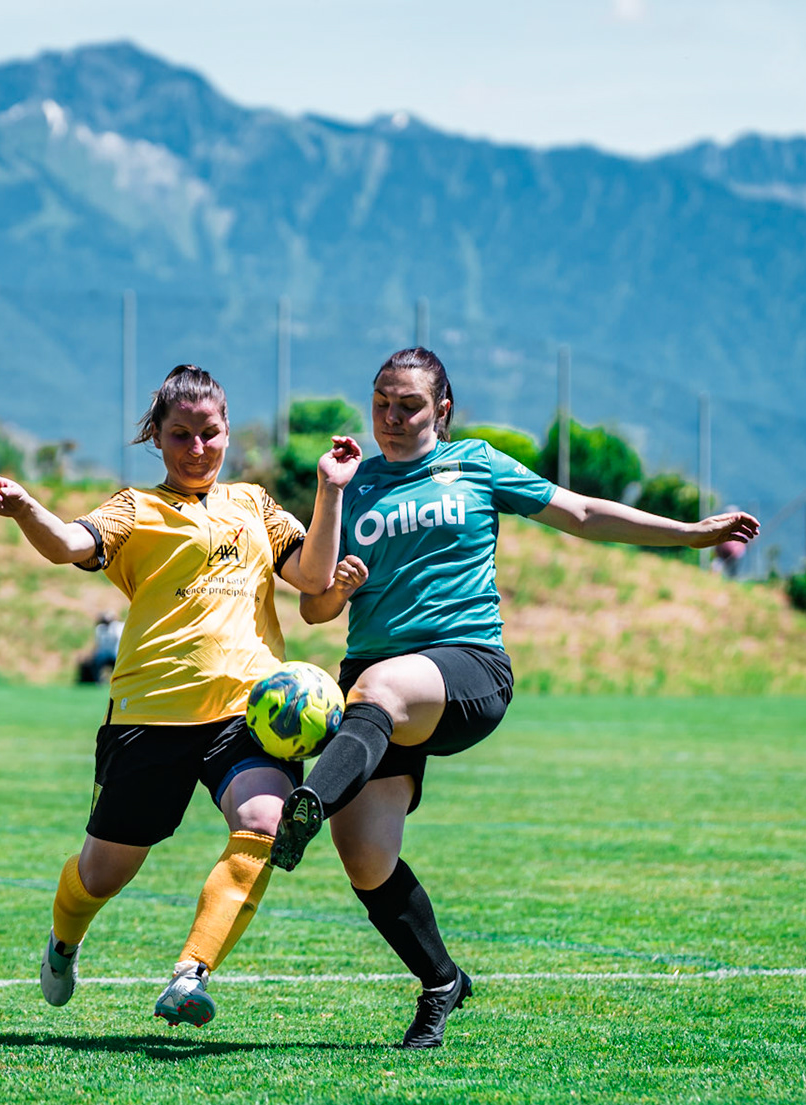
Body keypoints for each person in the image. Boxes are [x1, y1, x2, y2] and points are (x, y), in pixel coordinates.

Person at [270, 348, 759, 1048]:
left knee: (377, 690)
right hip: (376, 689)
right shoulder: (356, 483)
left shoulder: (477, 462)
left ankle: (307, 803)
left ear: (442, 411)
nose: (391, 415)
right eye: (381, 400)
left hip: (464, 666)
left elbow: (584, 513)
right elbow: (315, 610)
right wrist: (339, 582)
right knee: (367, 861)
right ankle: (441, 981)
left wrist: (687, 535)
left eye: (408, 404)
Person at [0, 364, 353, 1027]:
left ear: (227, 431)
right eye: (180, 435)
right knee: (103, 873)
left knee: (266, 824)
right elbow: (69, 544)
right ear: (157, 437)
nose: (197, 449)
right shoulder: (135, 508)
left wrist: (330, 489)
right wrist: (25, 508)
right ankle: (64, 940)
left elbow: (314, 576)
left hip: (249, 710)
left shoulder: (256, 506)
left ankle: (192, 973)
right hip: (150, 715)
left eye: (209, 433)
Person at [77, 611, 124, 684]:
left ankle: (119, 681)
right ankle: (97, 681)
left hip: (115, 654)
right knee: (95, 662)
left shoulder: (117, 627)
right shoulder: (100, 629)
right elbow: (98, 644)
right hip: (103, 654)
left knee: (119, 666)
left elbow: (118, 637)